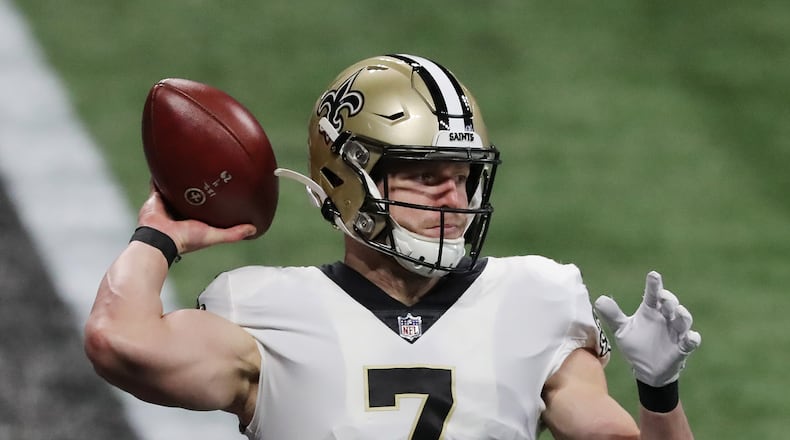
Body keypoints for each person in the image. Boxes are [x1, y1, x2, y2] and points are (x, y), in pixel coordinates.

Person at [85, 54, 701, 439]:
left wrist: (659, 395)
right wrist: (161, 234)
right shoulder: (261, 310)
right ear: (347, 180)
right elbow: (118, 340)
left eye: (463, 176)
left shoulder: (537, 297)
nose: (451, 197)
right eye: (424, 174)